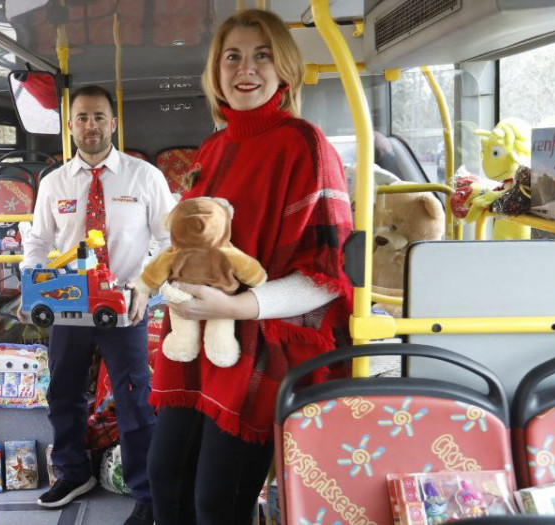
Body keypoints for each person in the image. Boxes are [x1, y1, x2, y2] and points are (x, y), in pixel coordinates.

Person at [145, 9, 354, 525]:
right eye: (232, 56)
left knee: (218, 503)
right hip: (193, 339)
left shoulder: (305, 144)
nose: (247, 68)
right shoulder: (213, 147)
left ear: (285, 68)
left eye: (262, 55)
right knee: (163, 480)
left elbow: (326, 276)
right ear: (216, 71)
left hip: (259, 346)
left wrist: (237, 304)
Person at [21, 85, 175, 525]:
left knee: (134, 400)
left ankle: (146, 492)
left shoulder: (144, 177)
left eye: (99, 117)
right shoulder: (54, 183)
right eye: (82, 118)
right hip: (68, 303)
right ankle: (74, 472)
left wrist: (145, 285)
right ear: (70, 126)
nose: (90, 126)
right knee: (64, 392)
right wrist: (34, 285)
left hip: (124, 304)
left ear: (114, 123)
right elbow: (38, 241)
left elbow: (169, 242)